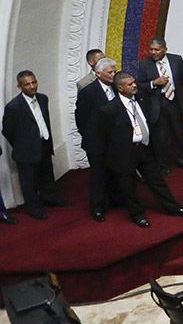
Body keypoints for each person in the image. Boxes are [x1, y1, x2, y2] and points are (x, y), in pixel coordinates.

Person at [97, 72, 183, 228]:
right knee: (128, 186)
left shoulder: (142, 99)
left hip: (144, 148)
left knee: (157, 181)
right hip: (124, 153)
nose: (134, 85)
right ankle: (137, 215)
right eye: (130, 84)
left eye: (134, 82)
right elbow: (104, 136)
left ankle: (174, 208)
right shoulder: (109, 109)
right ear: (120, 88)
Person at [3, 71, 69, 219]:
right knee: (29, 182)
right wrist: (22, 144)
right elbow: (7, 130)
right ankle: (33, 208)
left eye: (34, 82)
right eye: (27, 84)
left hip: (44, 144)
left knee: (47, 175)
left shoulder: (43, 98)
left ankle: (50, 198)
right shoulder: (14, 106)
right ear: (19, 86)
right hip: (25, 151)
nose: (32, 86)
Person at [136, 37, 183, 171]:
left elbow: (182, 78)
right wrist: (154, 83)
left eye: (157, 50)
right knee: (160, 137)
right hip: (157, 104)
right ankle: (163, 166)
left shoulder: (176, 60)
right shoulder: (144, 64)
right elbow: (139, 85)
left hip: (174, 102)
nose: (153, 52)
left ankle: (182, 160)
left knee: (178, 133)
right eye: (151, 50)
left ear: (165, 49)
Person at [75, 56, 118, 221]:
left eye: (114, 71)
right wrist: (91, 137)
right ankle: (97, 207)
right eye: (109, 72)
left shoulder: (116, 87)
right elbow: (81, 118)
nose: (113, 75)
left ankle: (115, 199)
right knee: (98, 175)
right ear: (98, 74)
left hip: (115, 140)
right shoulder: (88, 92)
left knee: (115, 171)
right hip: (96, 142)